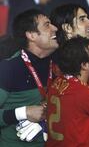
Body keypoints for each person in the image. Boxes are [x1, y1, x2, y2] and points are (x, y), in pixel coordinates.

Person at [0, 9, 59, 146]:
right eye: (47, 24)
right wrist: (22, 112)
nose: (55, 28)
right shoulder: (9, 69)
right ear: (31, 35)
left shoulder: (58, 63)